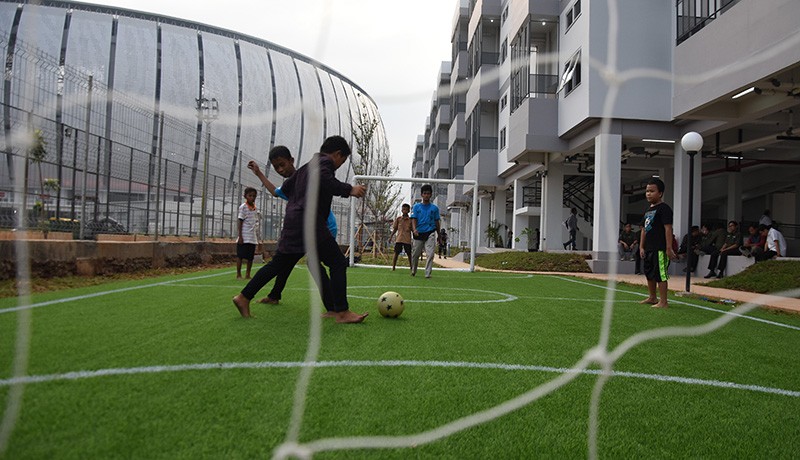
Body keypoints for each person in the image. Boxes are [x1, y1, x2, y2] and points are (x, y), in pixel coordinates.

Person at [232, 135, 368, 323]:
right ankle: (342, 312)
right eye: (342, 161)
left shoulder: (304, 169)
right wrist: (349, 189)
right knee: (337, 262)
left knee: (278, 264)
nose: (339, 165)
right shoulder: (324, 164)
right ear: (337, 154)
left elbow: (283, 190)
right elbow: (324, 179)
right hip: (310, 224)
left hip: (295, 223)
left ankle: (244, 297)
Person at [246, 146, 337, 305]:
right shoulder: (290, 184)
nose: (280, 170)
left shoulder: (304, 177)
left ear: (291, 161)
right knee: (286, 261)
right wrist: (259, 173)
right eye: (276, 167)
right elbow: (275, 192)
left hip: (324, 227)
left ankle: (334, 307)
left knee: (309, 263)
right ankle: (274, 295)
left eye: (282, 165)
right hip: (306, 229)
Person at [638, 178, 675, 309]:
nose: (648, 194)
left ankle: (663, 301)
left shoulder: (664, 209)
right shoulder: (648, 210)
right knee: (649, 273)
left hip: (659, 248)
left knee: (660, 274)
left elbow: (668, 228)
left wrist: (669, 248)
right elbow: (643, 229)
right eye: (647, 191)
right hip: (649, 248)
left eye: (652, 191)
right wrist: (641, 246)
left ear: (660, 193)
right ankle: (652, 297)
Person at [410, 184, 441, 278]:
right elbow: (413, 219)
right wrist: (414, 229)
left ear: (431, 194)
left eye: (428, 193)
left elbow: (437, 221)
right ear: (421, 195)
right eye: (425, 193)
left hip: (430, 232)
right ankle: (413, 270)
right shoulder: (416, 207)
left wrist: (439, 235)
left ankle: (427, 273)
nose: (426, 195)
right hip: (418, 233)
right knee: (415, 254)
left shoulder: (434, 208)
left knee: (430, 254)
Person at [236, 187, 259, 279]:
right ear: (245, 196)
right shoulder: (243, 207)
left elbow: (255, 223)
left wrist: (257, 236)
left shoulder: (255, 209)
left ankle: (248, 274)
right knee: (240, 256)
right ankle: (238, 274)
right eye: (250, 196)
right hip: (244, 236)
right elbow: (240, 221)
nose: (252, 198)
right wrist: (240, 236)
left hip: (252, 237)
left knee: (250, 257)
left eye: (254, 196)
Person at [389, 203, 413, 271]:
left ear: (409, 211)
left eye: (406, 210)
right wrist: (391, 237)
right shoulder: (398, 219)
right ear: (402, 210)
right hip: (399, 239)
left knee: (409, 254)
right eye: (403, 209)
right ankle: (393, 267)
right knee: (396, 253)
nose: (405, 211)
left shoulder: (410, 220)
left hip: (407, 240)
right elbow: (395, 229)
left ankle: (411, 267)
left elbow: (413, 230)